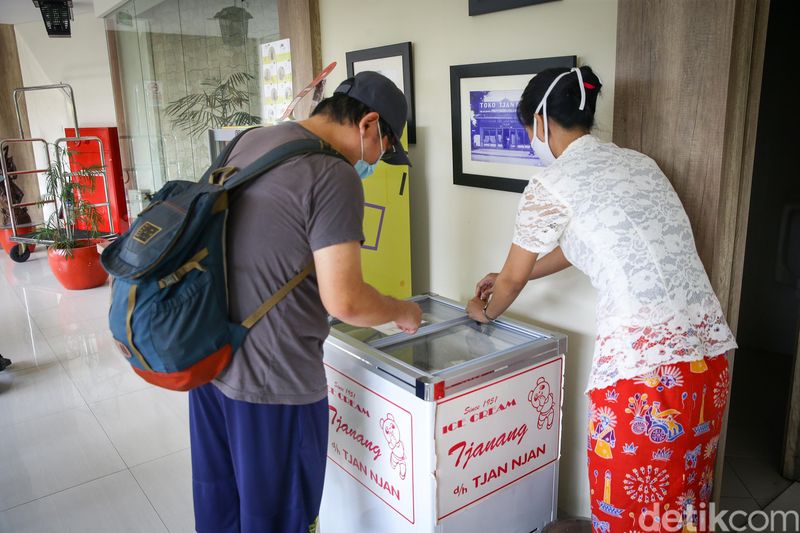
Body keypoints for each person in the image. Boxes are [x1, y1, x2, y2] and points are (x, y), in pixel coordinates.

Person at [469, 66, 737, 533]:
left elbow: (509, 282)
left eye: (528, 129)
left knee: (632, 510)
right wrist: (520, 273)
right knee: (684, 503)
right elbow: (582, 246)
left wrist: (485, 310)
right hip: (707, 359)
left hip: (646, 374)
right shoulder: (640, 164)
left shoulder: (551, 184)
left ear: (539, 121)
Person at [189, 71, 422, 533]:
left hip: (210, 363)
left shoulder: (251, 141)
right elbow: (346, 301)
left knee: (220, 507)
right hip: (275, 385)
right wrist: (402, 310)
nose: (376, 160)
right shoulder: (333, 174)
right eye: (383, 148)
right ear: (369, 124)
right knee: (277, 519)